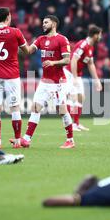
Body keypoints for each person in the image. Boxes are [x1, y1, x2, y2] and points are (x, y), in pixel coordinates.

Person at [16, 15, 75, 149]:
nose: (43, 24)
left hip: (58, 82)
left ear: (54, 24)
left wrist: (53, 62)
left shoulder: (62, 39)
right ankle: (26, 139)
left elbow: (67, 60)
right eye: (43, 22)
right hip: (45, 82)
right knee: (35, 108)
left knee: (61, 111)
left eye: (46, 22)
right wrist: (19, 41)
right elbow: (28, 51)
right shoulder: (41, 39)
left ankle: (70, 140)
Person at [0, 7, 30, 149]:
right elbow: (27, 51)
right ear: (8, 17)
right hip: (12, 75)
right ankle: (17, 141)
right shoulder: (15, 32)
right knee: (15, 107)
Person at [63, 25, 103, 132]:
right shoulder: (83, 45)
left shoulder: (91, 46)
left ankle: (76, 124)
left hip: (77, 74)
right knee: (73, 97)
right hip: (70, 73)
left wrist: (97, 80)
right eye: (99, 35)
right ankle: (69, 124)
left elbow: (90, 64)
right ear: (95, 35)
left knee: (81, 97)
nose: (100, 37)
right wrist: (75, 77)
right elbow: (74, 60)